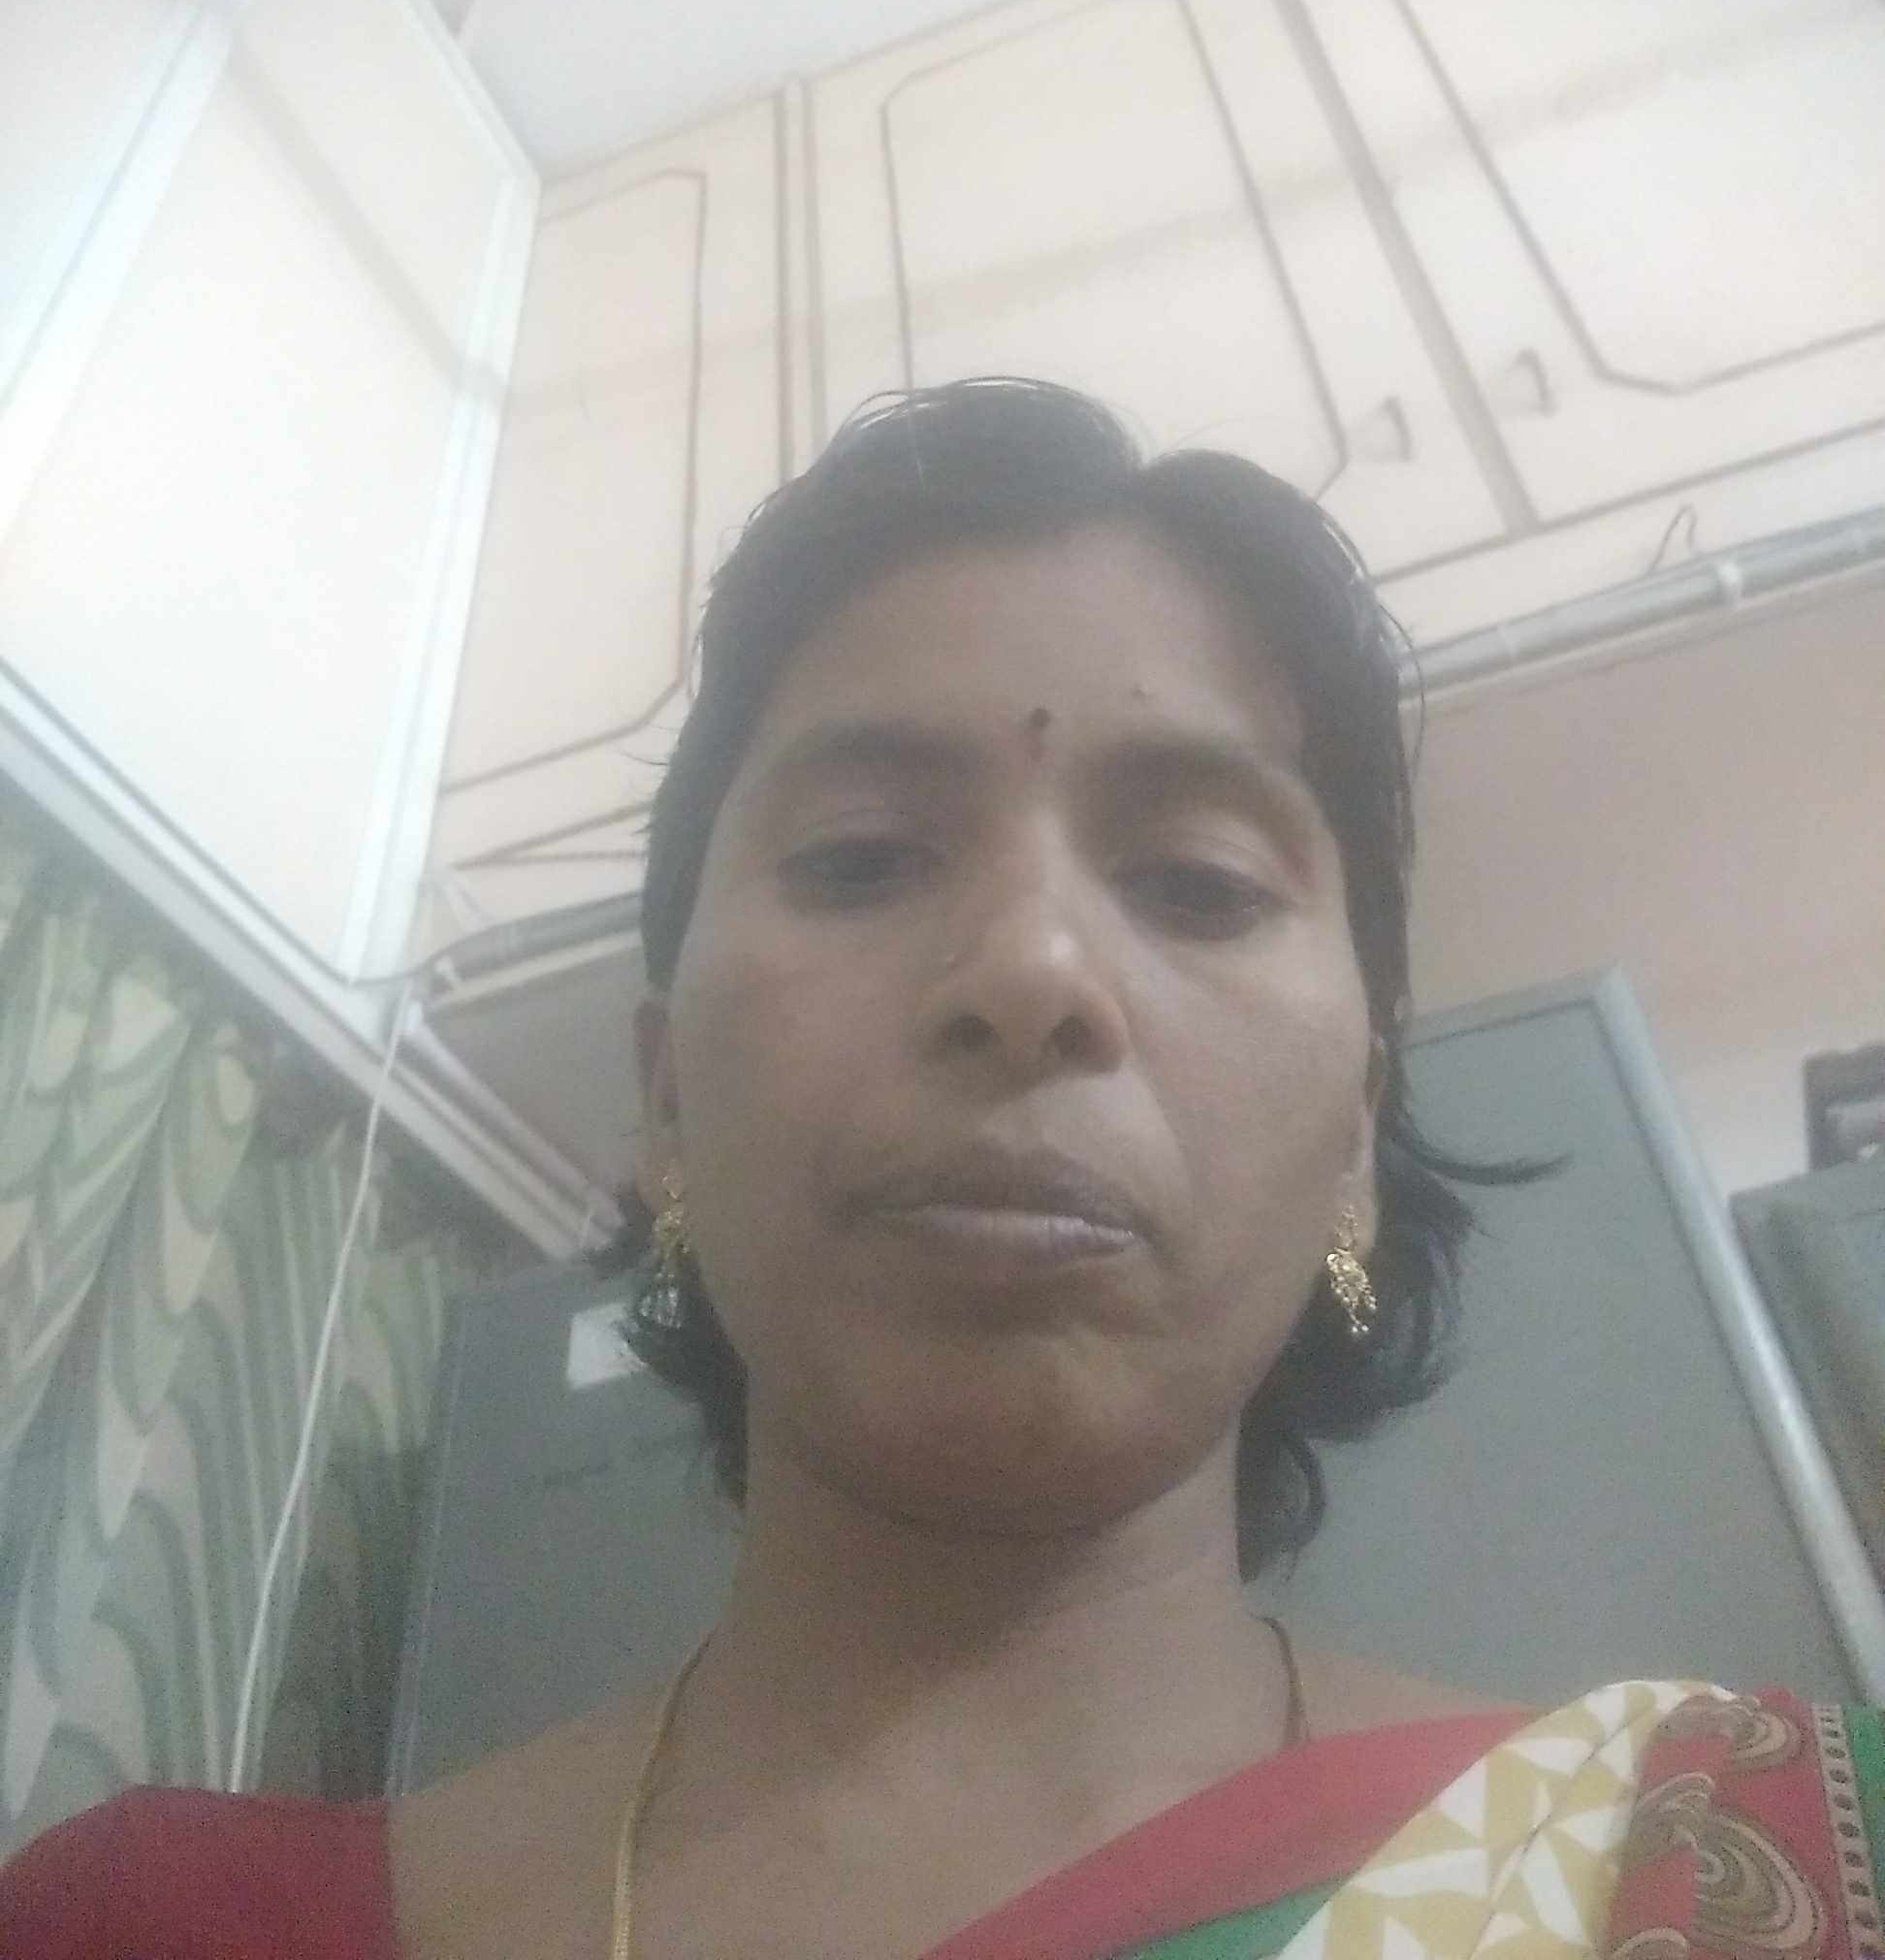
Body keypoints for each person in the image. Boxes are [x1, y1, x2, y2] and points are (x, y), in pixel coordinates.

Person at [3, 378, 1879, 1958]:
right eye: (861, 856)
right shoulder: (146, 1929)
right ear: (665, 1105)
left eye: (1198, 883)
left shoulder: (1738, 1872)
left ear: (1355, 1156)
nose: (1031, 972)